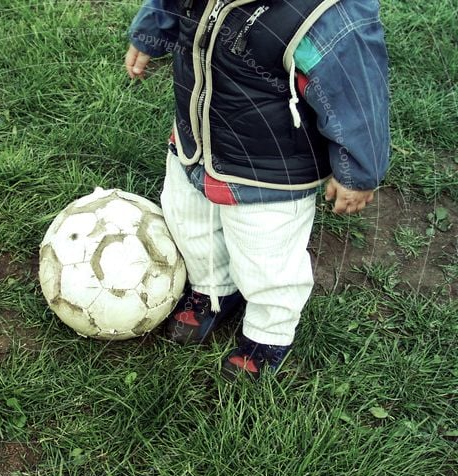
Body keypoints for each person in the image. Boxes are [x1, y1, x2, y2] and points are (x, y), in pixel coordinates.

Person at [124, 0, 390, 378]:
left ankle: (268, 335)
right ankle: (214, 289)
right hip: (195, 141)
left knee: (268, 261)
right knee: (188, 224)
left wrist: (358, 169)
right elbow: (170, 5)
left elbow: (356, 93)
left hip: (270, 171)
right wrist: (151, 36)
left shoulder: (324, 16)